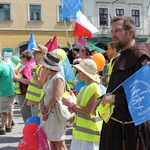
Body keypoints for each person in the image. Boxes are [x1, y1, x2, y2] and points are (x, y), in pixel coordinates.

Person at [94, 16, 150, 150]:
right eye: (112, 31)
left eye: (117, 30)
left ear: (130, 32)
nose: (113, 34)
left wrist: (114, 99)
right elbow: (118, 89)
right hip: (115, 128)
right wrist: (103, 98)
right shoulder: (120, 58)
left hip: (132, 132)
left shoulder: (141, 57)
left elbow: (144, 98)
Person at [62, 59, 103, 150]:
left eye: (80, 71)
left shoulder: (93, 87)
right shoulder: (85, 87)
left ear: (86, 73)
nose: (78, 73)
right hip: (81, 133)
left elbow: (89, 111)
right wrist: (73, 108)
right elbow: (81, 107)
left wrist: (71, 105)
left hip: (89, 135)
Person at [39, 52, 67, 150]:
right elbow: (45, 95)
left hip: (55, 114)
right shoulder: (50, 77)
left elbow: (56, 97)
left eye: (44, 66)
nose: (42, 68)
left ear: (48, 67)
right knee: (52, 141)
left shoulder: (58, 78)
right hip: (48, 114)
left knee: (59, 142)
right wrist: (42, 106)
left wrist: (45, 109)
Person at [26, 45, 48, 116]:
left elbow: (40, 84)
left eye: (35, 52)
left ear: (42, 54)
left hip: (37, 100)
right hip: (34, 100)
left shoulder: (42, 67)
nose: (33, 54)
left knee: (37, 122)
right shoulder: (39, 66)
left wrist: (33, 73)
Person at [13, 50, 32, 123]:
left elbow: (28, 81)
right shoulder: (24, 67)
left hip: (24, 93)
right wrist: (16, 79)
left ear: (25, 58)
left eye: (21, 57)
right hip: (21, 93)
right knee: (25, 113)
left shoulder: (27, 68)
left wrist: (17, 78)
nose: (20, 59)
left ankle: (28, 130)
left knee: (26, 113)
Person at [0, 57, 15, 135]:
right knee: (10, 108)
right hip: (11, 90)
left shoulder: (0, 66)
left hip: (3, 90)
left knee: (3, 111)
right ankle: (9, 126)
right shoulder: (8, 64)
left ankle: (2, 128)